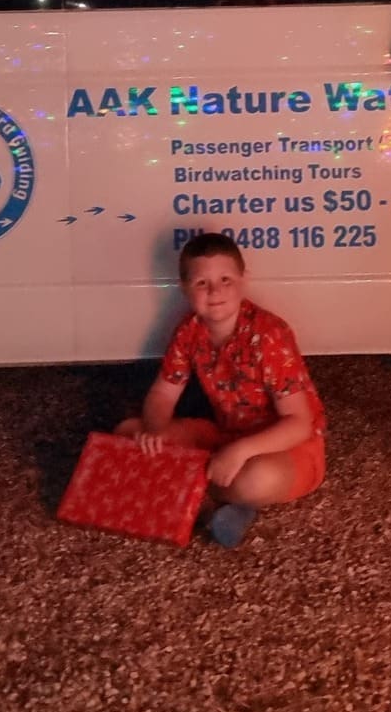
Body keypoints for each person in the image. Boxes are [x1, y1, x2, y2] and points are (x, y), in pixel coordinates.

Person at [120, 232, 327, 549]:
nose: (215, 291)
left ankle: (186, 493)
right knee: (128, 433)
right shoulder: (189, 331)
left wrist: (239, 452)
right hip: (226, 434)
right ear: (184, 288)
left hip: (285, 447)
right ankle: (209, 509)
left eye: (225, 280)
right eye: (202, 283)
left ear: (243, 280)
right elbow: (163, 394)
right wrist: (155, 430)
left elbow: (299, 424)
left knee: (254, 480)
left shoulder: (268, 334)